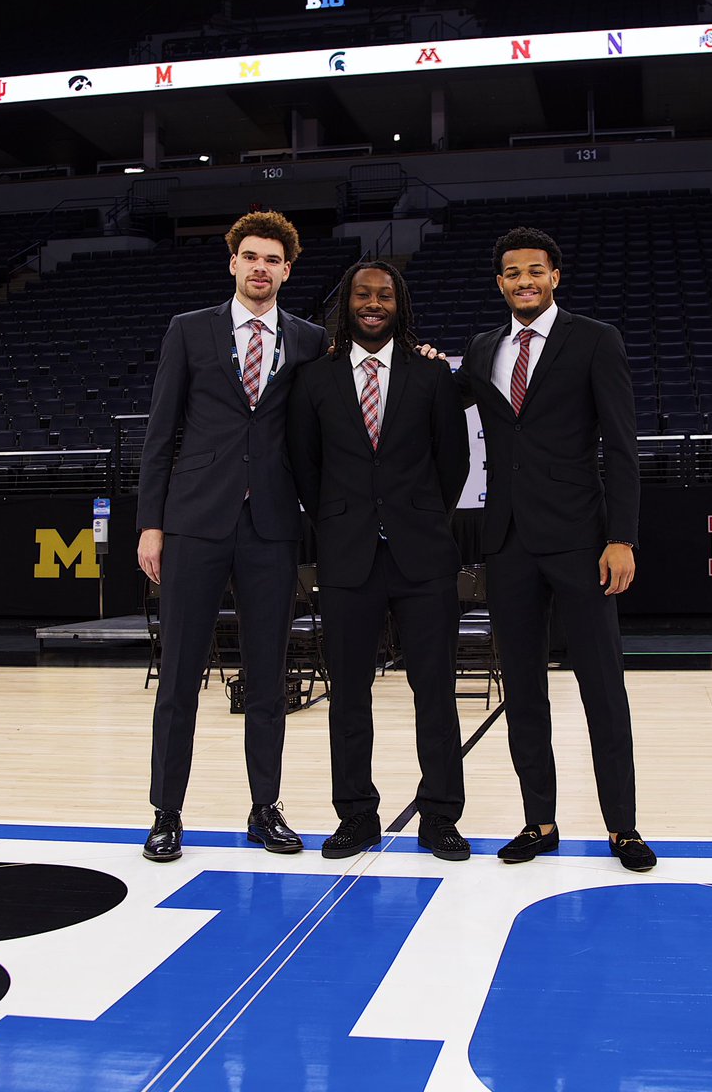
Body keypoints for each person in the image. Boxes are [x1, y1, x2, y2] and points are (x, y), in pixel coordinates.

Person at [452, 226, 656, 871]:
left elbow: (622, 448)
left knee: (603, 686)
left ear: (555, 277)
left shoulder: (595, 339)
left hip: (580, 540)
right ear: (500, 283)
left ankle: (622, 826)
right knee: (523, 691)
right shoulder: (483, 349)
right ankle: (539, 821)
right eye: (512, 273)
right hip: (507, 542)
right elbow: (450, 408)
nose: (524, 281)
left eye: (535, 270)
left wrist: (621, 537)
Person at [136, 210, 328, 862]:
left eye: (272, 259)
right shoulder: (188, 331)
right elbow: (160, 434)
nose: (260, 268)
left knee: (269, 680)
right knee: (179, 677)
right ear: (232, 263)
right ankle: (166, 813)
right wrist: (150, 523)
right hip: (193, 522)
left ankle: (264, 808)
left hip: (271, 525)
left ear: (286, 270)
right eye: (250, 256)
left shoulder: (307, 339)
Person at [286, 260, 471, 861]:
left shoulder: (434, 376)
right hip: (347, 557)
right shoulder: (314, 379)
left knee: (436, 691)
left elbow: (455, 466)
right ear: (347, 305)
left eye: (384, 294)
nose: (373, 303)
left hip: (424, 555)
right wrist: (344, 520)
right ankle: (356, 815)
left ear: (400, 302)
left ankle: (440, 815)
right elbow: (306, 470)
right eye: (362, 294)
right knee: (349, 695)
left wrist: (414, 515)